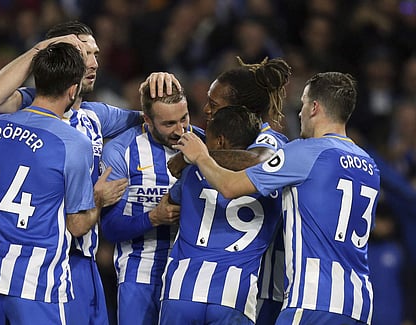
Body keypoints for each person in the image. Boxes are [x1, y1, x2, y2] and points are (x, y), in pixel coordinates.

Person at [0, 21, 177, 324]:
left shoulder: (96, 116)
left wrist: (157, 86)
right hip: (47, 259)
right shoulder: (31, 105)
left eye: (95, 53)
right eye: (83, 53)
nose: (93, 63)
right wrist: (39, 49)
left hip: (85, 258)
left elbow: (157, 120)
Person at [174, 72, 380, 325]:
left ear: (314, 107)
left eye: (303, 104)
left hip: (313, 300)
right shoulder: (370, 166)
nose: (300, 113)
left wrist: (200, 156)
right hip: (360, 304)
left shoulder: (304, 153)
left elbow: (229, 186)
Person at [0, 42, 103, 324]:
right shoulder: (74, 143)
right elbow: (76, 225)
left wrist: (40, 49)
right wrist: (100, 198)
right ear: (73, 90)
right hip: (36, 284)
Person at [165, 56, 292, 324]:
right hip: (233, 286)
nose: (207, 110)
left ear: (240, 110)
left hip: (259, 282)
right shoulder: (211, 143)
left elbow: (261, 160)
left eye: (214, 104)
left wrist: (198, 156)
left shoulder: (268, 141)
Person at [100, 82, 204, 325]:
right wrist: (153, 217)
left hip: (191, 276)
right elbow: (111, 228)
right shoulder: (121, 151)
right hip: (140, 274)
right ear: (146, 119)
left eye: (184, 118)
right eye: (169, 124)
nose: (180, 130)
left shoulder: (203, 144)